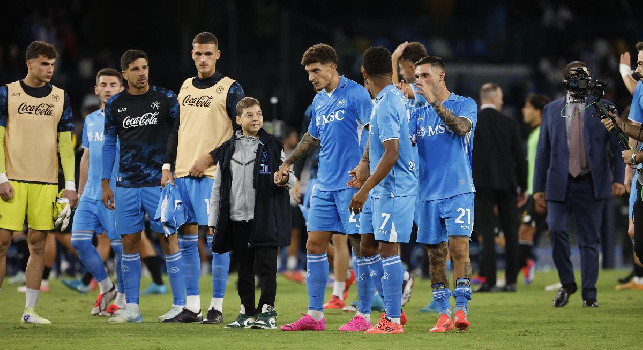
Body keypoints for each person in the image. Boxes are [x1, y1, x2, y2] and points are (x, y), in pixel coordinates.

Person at [276, 43, 372, 332]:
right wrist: (288, 163)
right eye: (308, 72)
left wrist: (365, 168)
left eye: (315, 71)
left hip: (350, 184)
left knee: (360, 247)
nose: (311, 77)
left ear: (332, 67)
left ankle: (364, 315)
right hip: (324, 185)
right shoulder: (319, 100)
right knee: (313, 244)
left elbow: (373, 130)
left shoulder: (356, 94)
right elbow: (311, 139)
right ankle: (315, 315)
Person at [162, 31, 245, 323]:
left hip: (213, 174)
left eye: (208, 53)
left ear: (217, 55)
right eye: (198, 53)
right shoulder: (185, 86)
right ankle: (193, 307)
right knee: (186, 238)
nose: (203, 59)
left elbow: (242, 133)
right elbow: (176, 129)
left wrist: (210, 157)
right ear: (192, 55)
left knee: (216, 239)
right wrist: (167, 167)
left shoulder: (231, 89)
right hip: (182, 174)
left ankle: (217, 307)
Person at [101, 49, 185, 323]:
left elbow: (179, 133)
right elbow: (109, 145)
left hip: (158, 183)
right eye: (136, 69)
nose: (142, 73)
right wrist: (106, 183)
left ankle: (180, 304)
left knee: (169, 239)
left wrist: (170, 167)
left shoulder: (166, 99)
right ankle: (133, 309)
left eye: (145, 67)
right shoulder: (115, 104)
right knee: (129, 243)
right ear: (124, 74)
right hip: (126, 184)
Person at [534, 61, 625, 308]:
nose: (582, 80)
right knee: (556, 231)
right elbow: (543, 150)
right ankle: (567, 283)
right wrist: (537, 188)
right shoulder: (551, 110)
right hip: (558, 183)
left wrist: (619, 179)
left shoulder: (603, 107)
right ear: (566, 80)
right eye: (577, 76)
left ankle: (589, 294)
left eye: (585, 76)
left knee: (589, 240)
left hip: (591, 183)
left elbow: (618, 147)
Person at [0, 41, 78, 324]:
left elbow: (66, 146)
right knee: (2, 241)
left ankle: (29, 311)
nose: (49, 70)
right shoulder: (7, 92)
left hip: (46, 181)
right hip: (12, 179)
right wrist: (1, 177)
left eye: (53, 65)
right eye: (44, 64)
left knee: (38, 244)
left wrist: (70, 184)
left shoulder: (60, 97)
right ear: (29, 63)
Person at [348, 46, 417, 334]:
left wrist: (364, 188)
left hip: (393, 188)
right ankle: (378, 312)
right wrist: (364, 163)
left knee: (388, 249)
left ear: (364, 73)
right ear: (391, 72)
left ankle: (391, 318)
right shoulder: (383, 99)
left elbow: (391, 153)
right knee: (366, 245)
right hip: (379, 187)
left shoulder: (388, 103)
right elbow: (378, 147)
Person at [208, 97, 293, 329]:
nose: (255, 118)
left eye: (258, 114)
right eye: (249, 115)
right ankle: (246, 311)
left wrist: (285, 178)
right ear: (238, 119)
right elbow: (218, 186)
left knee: (266, 266)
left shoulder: (274, 145)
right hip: (237, 217)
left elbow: (290, 177)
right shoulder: (227, 149)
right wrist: (213, 218)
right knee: (243, 268)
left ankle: (268, 312)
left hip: (265, 216)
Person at [409, 56, 477, 332]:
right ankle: (443, 313)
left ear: (441, 76)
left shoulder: (465, 104)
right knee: (435, 255)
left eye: (425, 76)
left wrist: (434, 103)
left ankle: (462, 309)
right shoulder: (416, 113)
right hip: (425, 194)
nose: (419, 82)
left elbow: (460, 128)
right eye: (416, 77)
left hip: (458, 189)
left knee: (460, 248)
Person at [70, 68, 124, 316]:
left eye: (113, 84)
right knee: (79, 241)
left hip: (114, 193)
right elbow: (85, 158)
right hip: (90, 195)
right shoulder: (91, 120)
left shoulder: (126, 119)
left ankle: (122, 300)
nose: (108, 88)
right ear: (97, 89)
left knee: (121, 248)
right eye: (104, 84)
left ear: (121, 88)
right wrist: (80, 194)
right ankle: (106, 286)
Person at [472, 82, 527, 292]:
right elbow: (520, 159)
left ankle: (489, 280)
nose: (502, 101)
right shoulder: (509, 122)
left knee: (486, 233)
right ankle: (511, 281)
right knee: (511, 232)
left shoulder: (472, 123)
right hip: (507, 184)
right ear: (493, 98)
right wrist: (522, 187)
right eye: (501, 97)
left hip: (482, 183)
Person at [603, 42, 643, 289]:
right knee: (635, 234)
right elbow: (637, 128)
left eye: (640, 64)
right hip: (641, 174)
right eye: (637, 64)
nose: (637, 70)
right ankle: (638, 277)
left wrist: (624, 72)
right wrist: (620, 124)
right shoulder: (641, 91)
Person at [517, 93, 551, 285]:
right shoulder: (535, 133)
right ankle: (525, 264)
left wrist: (543, 191)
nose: (524, 110)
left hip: (540, 192)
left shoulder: (543, 134)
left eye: (528, 107)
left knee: (528, 231)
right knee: (527, 232)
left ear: (538, 111)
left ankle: (519, 269)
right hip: (533, 191)